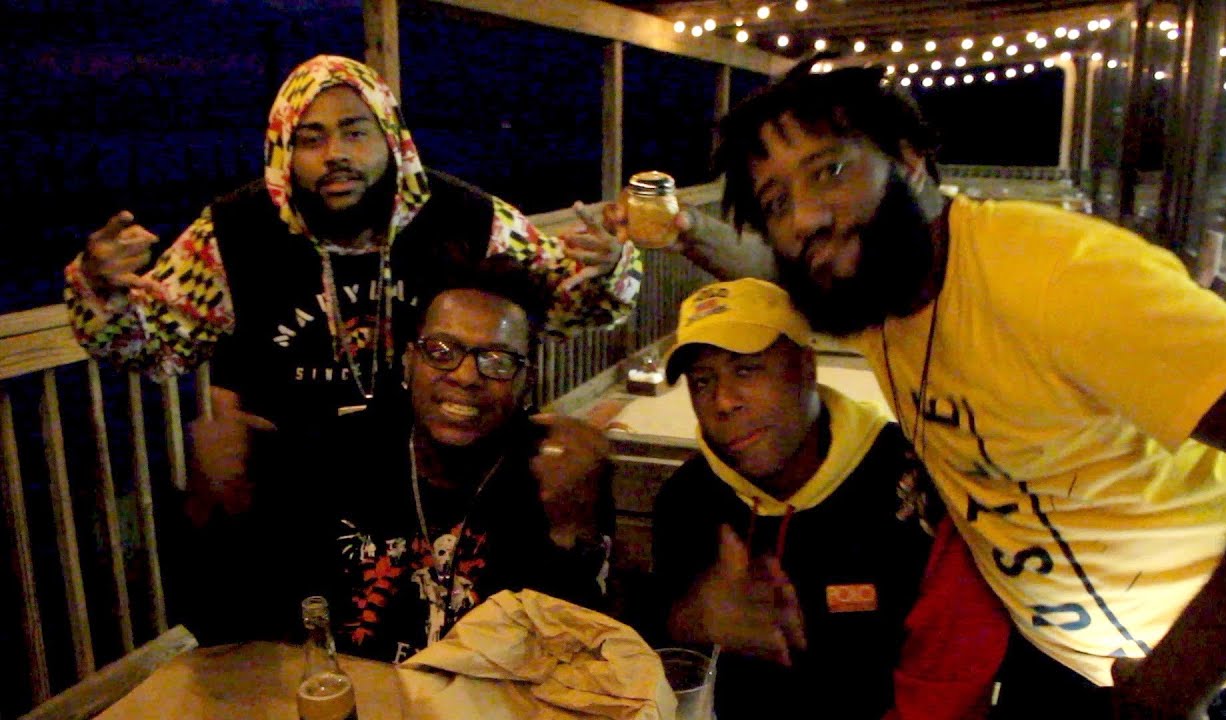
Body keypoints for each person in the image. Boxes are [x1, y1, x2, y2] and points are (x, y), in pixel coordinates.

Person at [653, 61, 1226, 719]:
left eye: (830, 170)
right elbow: (779, 266)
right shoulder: (883, 296)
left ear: (909, 158)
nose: (805, 217)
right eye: (776, 202)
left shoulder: (1055, 277)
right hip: (1068, 661)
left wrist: (1173, 688)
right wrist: (684, 231)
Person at [62, 54, 640, 524]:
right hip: (293, 491)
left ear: (392, 139)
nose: (335, 155)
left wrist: (609, 267)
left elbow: (573, 306)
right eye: (310, 139)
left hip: (446, 483)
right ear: (284, 153)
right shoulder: (233, 230)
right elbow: (152, 346)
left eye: (355, 133)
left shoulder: (468, 217)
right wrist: (102, 290)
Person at [652, 278, 1007, 719]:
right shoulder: (688, 499)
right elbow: (655, 663)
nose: (723, 401)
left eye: (746, 369)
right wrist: (687, 619)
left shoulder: (915, 489)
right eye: (703, 381)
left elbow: (949, 689)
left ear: (807, 366)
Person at [330, 258, 614, 663]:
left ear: (526, 381)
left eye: (498, 361)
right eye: (441, 351)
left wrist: (570, 529)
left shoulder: (558, 475)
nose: (465, 376)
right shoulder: (341, 454)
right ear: (410, 361)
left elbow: (579, 654)